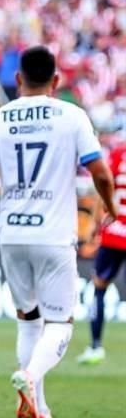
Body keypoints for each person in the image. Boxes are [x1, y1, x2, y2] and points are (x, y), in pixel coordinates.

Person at [0, 45, 115, 418]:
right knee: (60, 323)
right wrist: (109, 204)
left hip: (11, 233)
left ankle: (39, 411)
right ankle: (29, 378)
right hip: (54, 234)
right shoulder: (71, 115)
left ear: (17, 80)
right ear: (56, 80)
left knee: (29, 320)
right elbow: (100, 172)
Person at [79, 139, 126, 366]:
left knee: (99, 286)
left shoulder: (119, 153)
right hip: (116, 232)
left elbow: (103, 185)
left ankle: (95, 346)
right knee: (98, 286)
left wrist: (94, 223)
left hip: (116, 231)